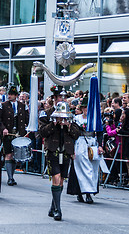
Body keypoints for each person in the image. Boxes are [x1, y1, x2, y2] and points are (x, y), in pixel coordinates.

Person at [39, 86, 80, 221]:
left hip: (66, 150)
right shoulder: (47, 113)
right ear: (54, 99)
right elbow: (42, 132)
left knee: (61, 179)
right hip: (53, 149)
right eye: (59, 97)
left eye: (64, 97)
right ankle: (58, 209)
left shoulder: (71, 114)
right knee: (56, 177)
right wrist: (54, 124)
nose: (63, 100)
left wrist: (69, 126)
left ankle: (53, 206)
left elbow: (76, 134)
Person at [67, 94, 103, 204]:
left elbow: (100, 133)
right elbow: (73, 134)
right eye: (85, 107)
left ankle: (89, 191)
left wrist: (100, 145)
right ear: (82, 108)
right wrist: (71, 148)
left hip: (92, 143)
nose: (87, 109)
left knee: (92, 168)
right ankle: (82, 192)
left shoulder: (95, 119)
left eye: (88, 107)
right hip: (81, 143)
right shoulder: (76, 119)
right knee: (81, 168)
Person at [0, 86, 28, 186]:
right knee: (8, 154)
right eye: (9, 94)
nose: (9, 96)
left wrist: (26, 129)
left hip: (18, 134)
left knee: (15, 156)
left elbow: (27, 118)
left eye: (11, 94)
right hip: (7, 133)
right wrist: (3, 129)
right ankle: (10, 178)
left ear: (16, 96)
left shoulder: (22, 105)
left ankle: (12, 175)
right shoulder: (3, 105)